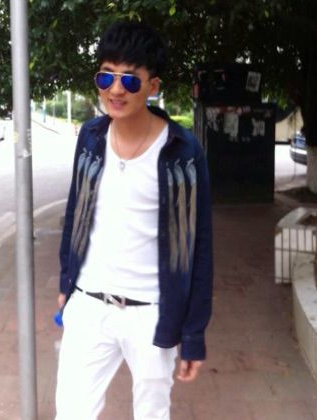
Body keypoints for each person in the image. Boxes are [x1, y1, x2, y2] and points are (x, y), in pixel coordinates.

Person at [55, 20, 213, 420]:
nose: (115, 90)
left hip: (151, 314)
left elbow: (199, 245)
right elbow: (76, 210)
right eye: (105, 76)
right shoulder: (91, 137)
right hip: (89, 304)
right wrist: (66, 283)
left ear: (152, 86)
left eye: (129, 80)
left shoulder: (182, 152)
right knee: (71, 412)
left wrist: (193, 334)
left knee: (151, 414)